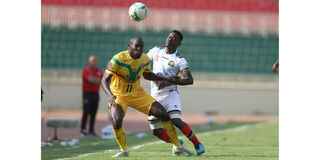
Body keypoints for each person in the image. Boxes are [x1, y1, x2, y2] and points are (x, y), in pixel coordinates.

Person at [101, 37, 193, 158]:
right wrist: (110, 95)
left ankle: (177, 146)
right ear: (130, 46)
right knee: (117, 121)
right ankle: (123, 150)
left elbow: (148, 75)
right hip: (119, 95)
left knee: (163, 114)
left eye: (141, 47)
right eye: (136, 46)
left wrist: (166, 79)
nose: (139, 49)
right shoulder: (118, 58)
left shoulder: (144, 59)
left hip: (138, 94)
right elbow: (104, 80)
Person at [146, 30, 205, 155]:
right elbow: (143, 60)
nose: (169, 39)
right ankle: (176, 143)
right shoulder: (156, 50)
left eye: (174, 38)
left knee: (175, 120)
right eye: (169, 37)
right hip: (155, 95)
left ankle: (197, 143)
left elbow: (189, 80)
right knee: (155, 131)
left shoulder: (179, 60)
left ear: (179, 43)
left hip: (170, 94)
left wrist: (172, 82)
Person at [81, 55, 103, 137]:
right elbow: (90, 79)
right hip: (87, 93)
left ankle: (91, 130)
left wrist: (96, 80)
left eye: (95, 60)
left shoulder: (100, 71)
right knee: (86, 112)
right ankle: (83, 130)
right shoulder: (86, 70)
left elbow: (102, 81)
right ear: (89, 61)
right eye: (92, 60)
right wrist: (97, 80)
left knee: (94, 113)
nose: (94, 62)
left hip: (95, 94)